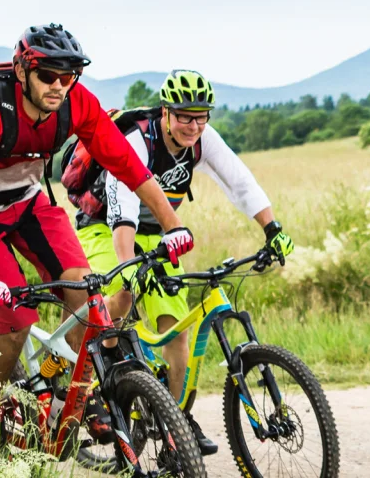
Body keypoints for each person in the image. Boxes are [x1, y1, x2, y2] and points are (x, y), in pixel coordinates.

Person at [0, 23, 196, 446]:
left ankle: (63, 387)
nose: (59, 85)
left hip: (30, 204)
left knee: (85, 294)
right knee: (16, 320)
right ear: (22, 70)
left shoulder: (75, 102)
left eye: (68, 76)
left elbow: (130, 167)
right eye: (48, 75)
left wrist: (173, 225)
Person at [68, 69, 293, 456]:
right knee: (121, 296)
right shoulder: (138, 138)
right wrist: (129, 266)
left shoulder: (203, 141)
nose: (193, 125)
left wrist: (272, 229)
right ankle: (92, 385)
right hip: (105, 227)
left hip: (158, 236)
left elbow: (240, 182)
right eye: (185, 116)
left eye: (201, 115)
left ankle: (173, 425)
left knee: (177, 334)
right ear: (166, 112)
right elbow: (122, 205)